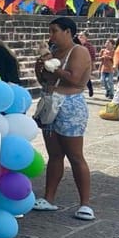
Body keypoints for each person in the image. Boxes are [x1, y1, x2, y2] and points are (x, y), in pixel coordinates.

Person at [32, 17, 94, 220]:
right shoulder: (55, 52)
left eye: (54, 31)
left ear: (68, 32)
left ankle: (85, 203)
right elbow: (45, 80)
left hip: (70, 104)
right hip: (50, 102)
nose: (51, 36)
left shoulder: (79, 51)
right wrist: (40, 67)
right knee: (55, 154)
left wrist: (53, 66)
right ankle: (49, 198)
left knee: (75, 155)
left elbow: (74, 78)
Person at [77, 32, 96, 97]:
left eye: (82, 35)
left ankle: (89, 90)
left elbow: (92, 56)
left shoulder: (89, 46)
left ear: (86, 37)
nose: (80, 36)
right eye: (79, 35)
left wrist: (92, 65)